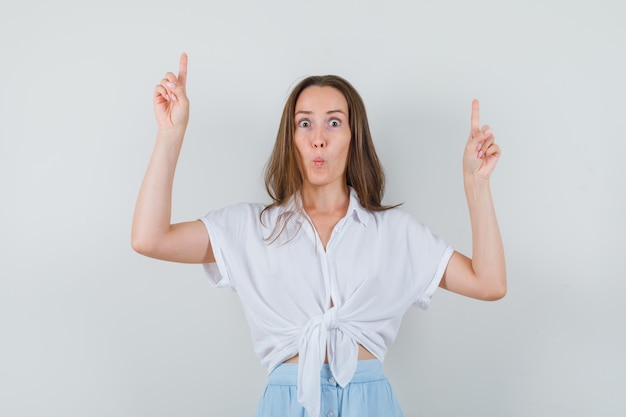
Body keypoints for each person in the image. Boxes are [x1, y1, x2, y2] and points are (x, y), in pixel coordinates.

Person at [132, 53, 506, 417]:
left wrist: (477, 184)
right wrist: (170, 134)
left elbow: (489, 282)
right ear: (290, 137)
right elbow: (150, 238)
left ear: (353, 136)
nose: (318, 139)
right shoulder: (250, 229)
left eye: (334, 122)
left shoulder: (396, 234)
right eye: (305, 123)